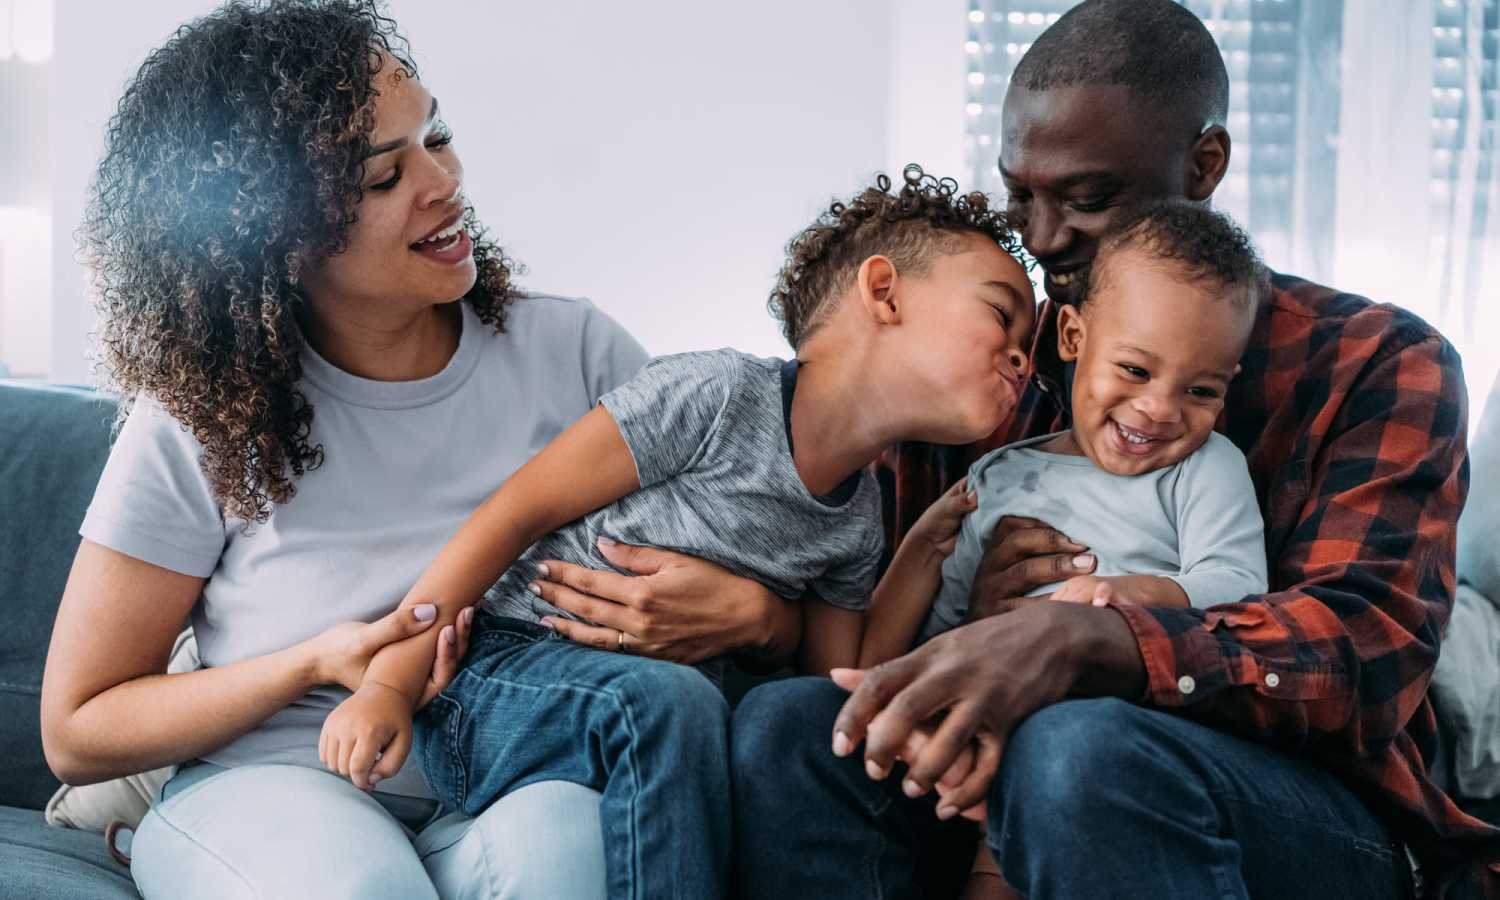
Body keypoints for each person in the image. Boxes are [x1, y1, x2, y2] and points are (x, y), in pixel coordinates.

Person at [731, 1, 1500, 898]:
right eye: (1022, 195)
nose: (1043, 239)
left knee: (1077, 751)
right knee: (789, 725)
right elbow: (866, 576)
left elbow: (1367, 654)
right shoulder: (991, 362)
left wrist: (1096, 638)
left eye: (1089, 199)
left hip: (1305, 809)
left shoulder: (1375, 362)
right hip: (995, 766)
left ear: (1203, 164)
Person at [38, 3, 796, 898]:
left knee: (575, 857)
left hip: (510, 777)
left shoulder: (579, 353)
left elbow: (779, 585)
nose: (443, 180)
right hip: (273, 785)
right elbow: (79, 727)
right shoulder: (202, 419)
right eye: (382, 176)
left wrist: (759, 619)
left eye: (437, 136)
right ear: (270, 236)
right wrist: (318, 662)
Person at [314, 165, 1035, 899]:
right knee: (673, 704)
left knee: (713, 717)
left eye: (1029, 340)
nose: (1021, 354)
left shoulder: (857, 519)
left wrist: (918, 556)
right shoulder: (718, 394)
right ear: (883, 292)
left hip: (646, 723)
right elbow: (515, 511)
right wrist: (389, 681)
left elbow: (834, 696)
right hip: (495, 680)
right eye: (1001, 313)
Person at [856, 200, 1269, 900]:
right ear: (1074, 336)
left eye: (1201, 389)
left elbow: (1237, 586)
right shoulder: (1001, 477)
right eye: (1135, 370)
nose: (1161, 408)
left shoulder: (1205, 467)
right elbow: (944, 628)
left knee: (1057, 777)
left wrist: (1128, 601)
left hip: (1127, 736)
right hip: (995, 742)